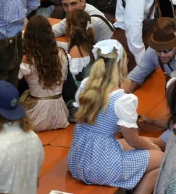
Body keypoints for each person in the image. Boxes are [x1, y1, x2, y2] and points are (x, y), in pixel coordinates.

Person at [67, 40, 163, 192]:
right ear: (122, 63)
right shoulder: (122, 99)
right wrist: (153, 148)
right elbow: (133, 140)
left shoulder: (85, 85)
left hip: (78, 159)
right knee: (162, 160)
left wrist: (149, 145)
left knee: (147, 143)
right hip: (102, 167)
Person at [19, 15, 69, 131]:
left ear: (28, 36)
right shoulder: (62, 54)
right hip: (60, 113)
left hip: (35, 115)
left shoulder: (27, 59)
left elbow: (13, 81)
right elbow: (65, 79)